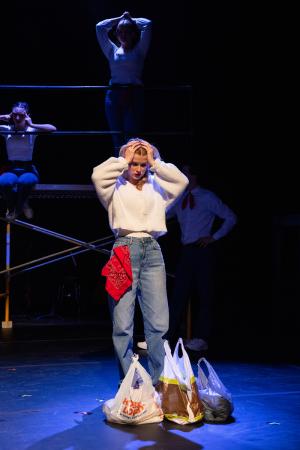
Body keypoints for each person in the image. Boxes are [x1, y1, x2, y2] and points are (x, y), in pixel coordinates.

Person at [91, 138, 188, 386]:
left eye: (142, 164)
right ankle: (130, 383)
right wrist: (124, 158)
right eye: (134, 163)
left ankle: (159, 382)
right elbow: (97, 174)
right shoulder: (115, 187)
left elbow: (182, 181)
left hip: (153, 251)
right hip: (123, 250)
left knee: (158, 323)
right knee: (123, 324)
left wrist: (155, 162)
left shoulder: (157, 187)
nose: (138, 169)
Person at [145, 163, 237, 353]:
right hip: (187, 251)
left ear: (192, 176)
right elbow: (164, 215)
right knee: (178, 295)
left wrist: (214, 237)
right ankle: (165, 338)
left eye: (185, 173)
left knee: (204, 294)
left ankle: (202, 338)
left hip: (203, 250)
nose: (182, 176)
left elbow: (230, 217)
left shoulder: (207, 197)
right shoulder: (181, 199)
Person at [96, 12, 152, 156]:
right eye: (120, 31)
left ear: (133, 33)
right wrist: (120, 19)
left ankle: (133, 171)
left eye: (127, 31)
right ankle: (120, 172)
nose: (123, 35)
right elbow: (100, 27)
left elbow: (147, 24)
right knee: (116, 137)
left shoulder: (140, 50)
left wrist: (130, 19)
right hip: (113, 94)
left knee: (131, 137)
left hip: (133, 94)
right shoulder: (112, 50)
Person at [0, 101, 56, 220]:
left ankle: (20, 208)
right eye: (14, 114)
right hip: (12, 168)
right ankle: (11, 208)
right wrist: (1, 117)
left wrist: (33, 124)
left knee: (25, 182)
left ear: (27, 115)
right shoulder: (6, 129)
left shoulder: (31, 130)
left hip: (28, 169)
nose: (17, 117)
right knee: (4, 182)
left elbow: (53, 128)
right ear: (11, 115)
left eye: (21, 115)